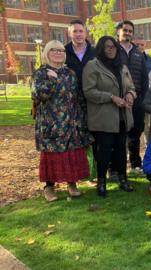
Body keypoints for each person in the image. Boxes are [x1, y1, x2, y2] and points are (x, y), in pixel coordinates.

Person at [32, 40, 92, 202]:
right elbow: (38, 95)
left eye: (61, 50)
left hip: (71, 122)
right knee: (52, 155)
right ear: (47, 53)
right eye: (54, 50)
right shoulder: (41, 73)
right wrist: (52, 80)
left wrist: (83, 119)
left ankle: (72, 184)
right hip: (51, 122)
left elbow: (78, 97)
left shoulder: (70, 73)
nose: (58, 53)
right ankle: (49, 187)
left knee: (71, 153)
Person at [83, 36, 137, 197]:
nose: (111, 49)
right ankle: (101, 182)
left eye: (113, 46)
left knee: (121, 150)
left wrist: (130, 95)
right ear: (101, 48)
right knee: (104, 151)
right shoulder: (92, 66)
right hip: (104, 117)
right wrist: (111, 97)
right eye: (107, 47)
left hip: (122, 116)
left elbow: (132, 86)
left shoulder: (122, 67)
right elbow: (89, 91)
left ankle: (123, 179)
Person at [64, 19, 97, 181]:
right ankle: (76, 174)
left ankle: (94, 173)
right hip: (71, 103)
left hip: (93, 101)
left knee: (94, 136)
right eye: (75, 31)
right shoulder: (63, 52)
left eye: (80, 31)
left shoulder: (95, 52)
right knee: (75, 138)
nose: (78, 34)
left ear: (86, 33)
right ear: (69, 33)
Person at [116, 20, 149, 174]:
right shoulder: (113, 49)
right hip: (118, 100)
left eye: (130, 31)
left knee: (136, 132)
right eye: (125, 30)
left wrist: (141, 97)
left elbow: (144, 76)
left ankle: (135, 163)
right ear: (118, 32)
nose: (128, 33)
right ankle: (117, 166)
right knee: (119, 133)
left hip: (137, 99)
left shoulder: (137, 52)